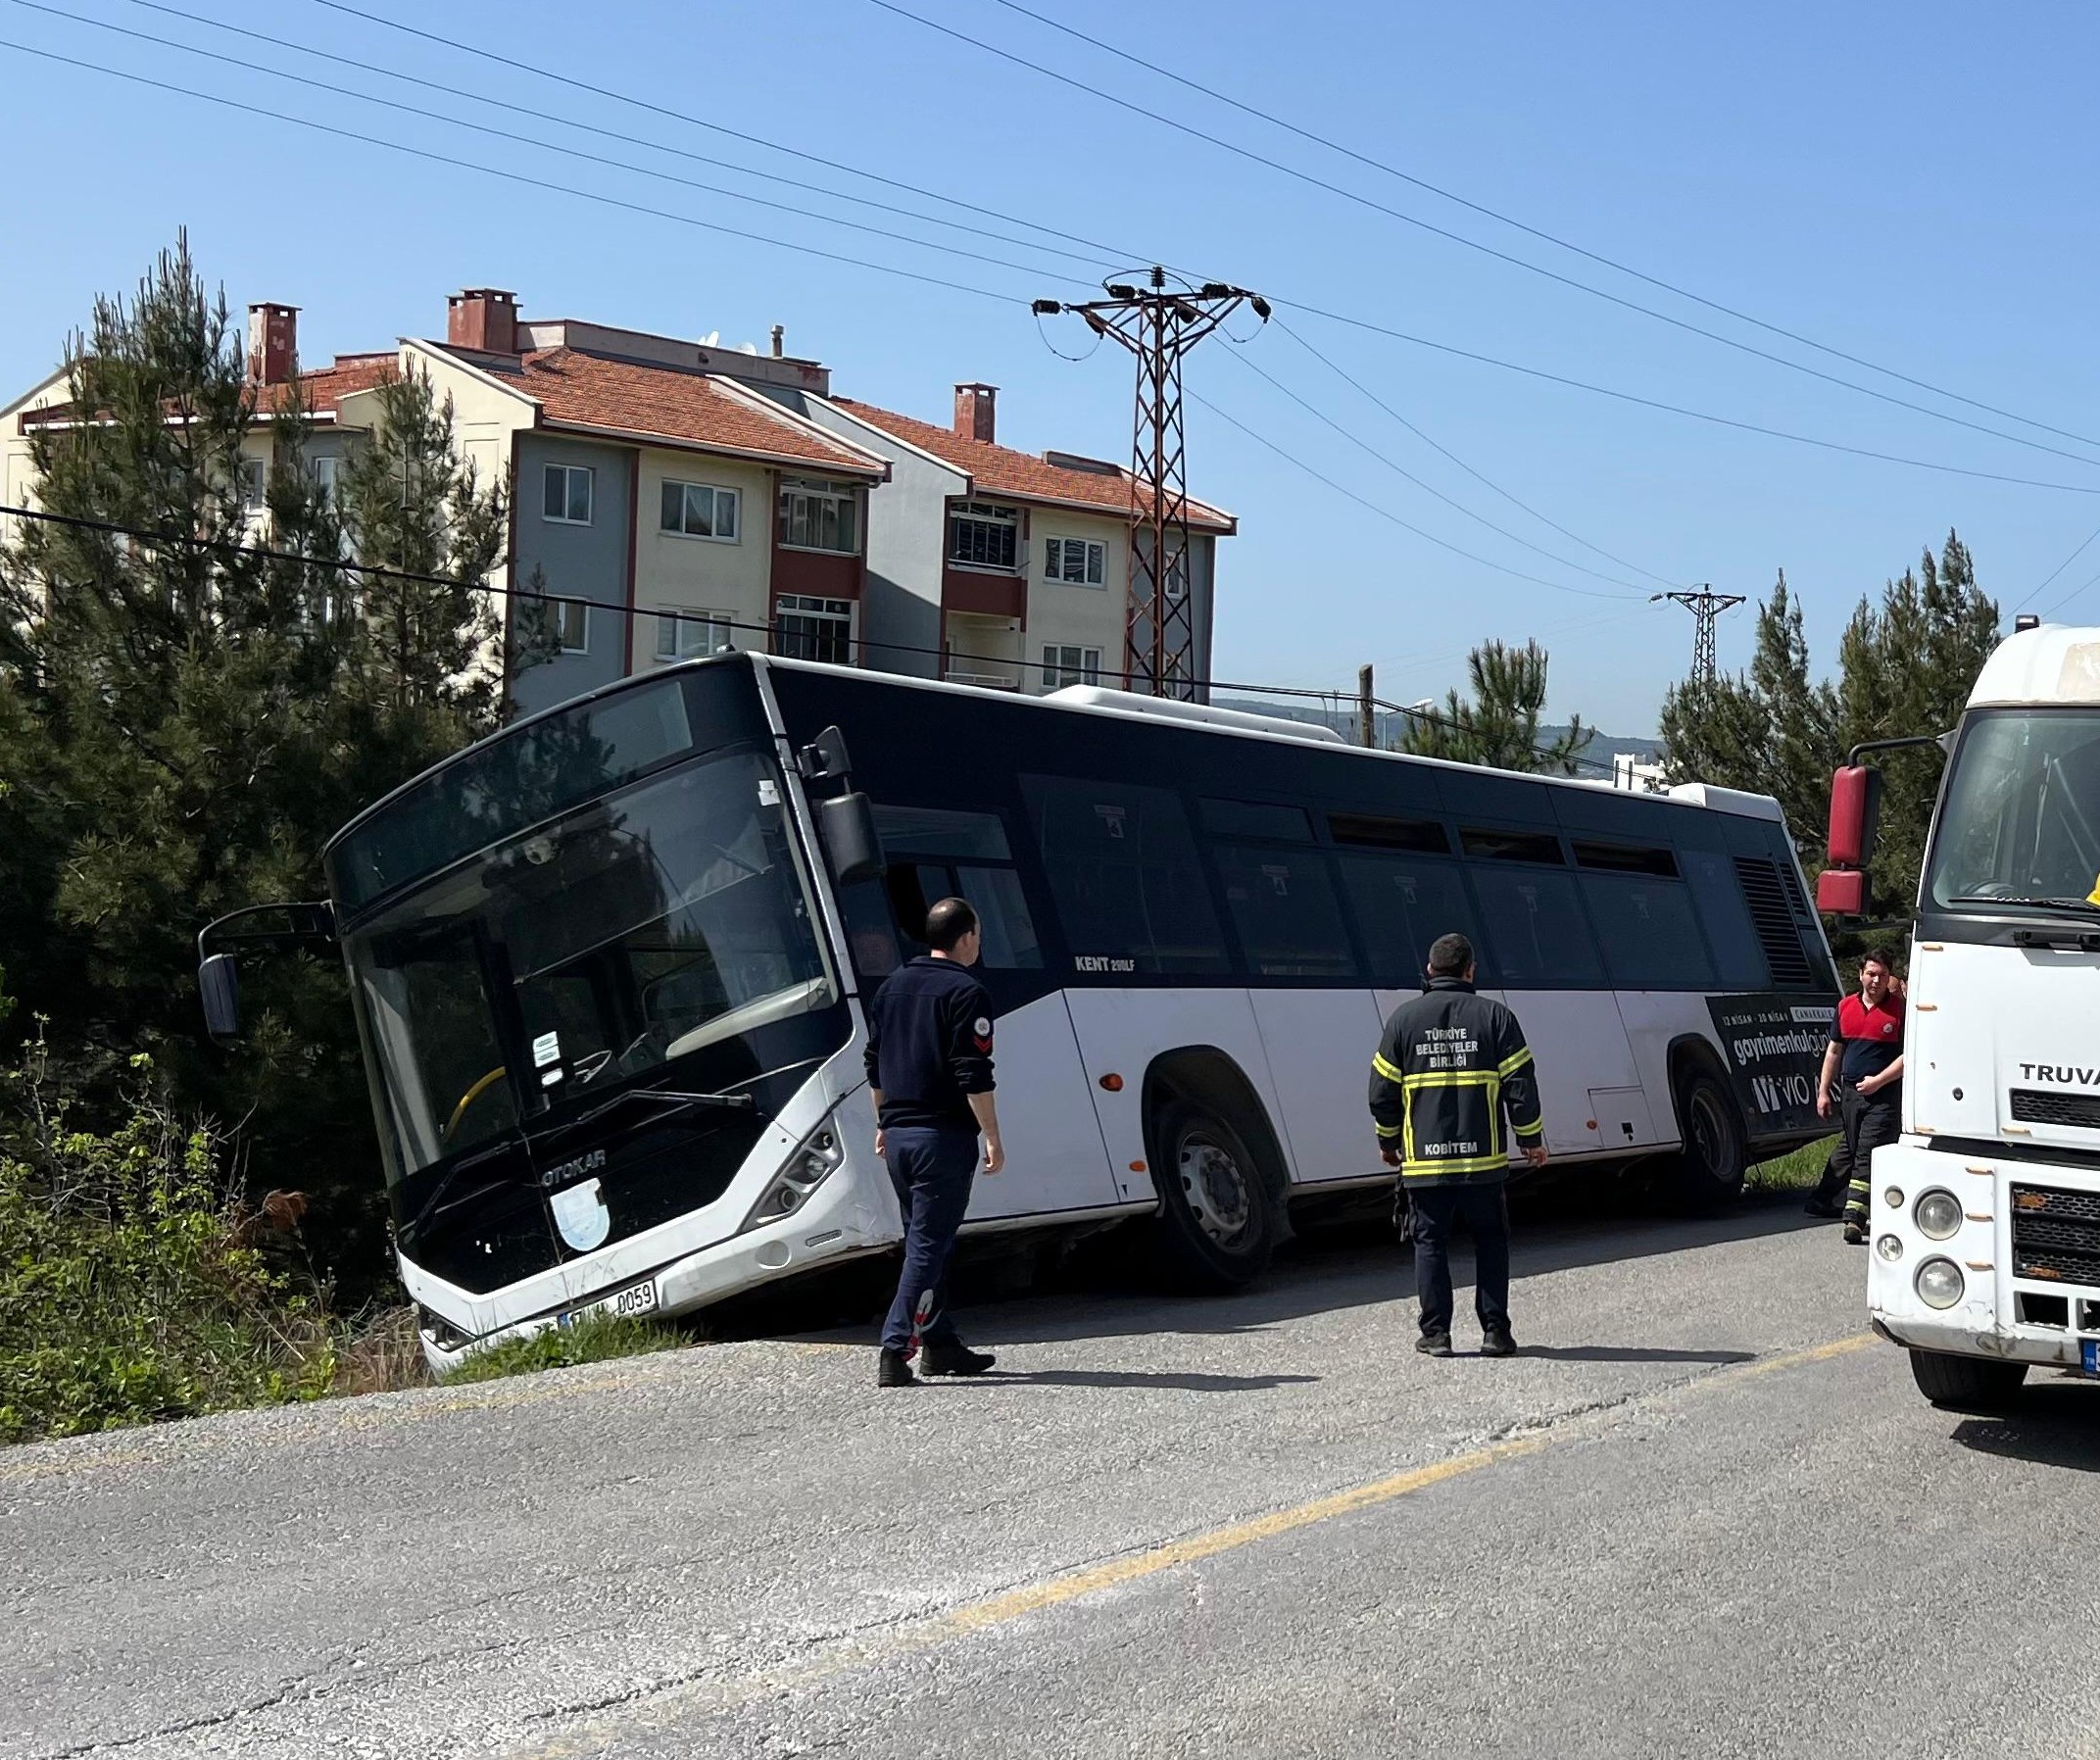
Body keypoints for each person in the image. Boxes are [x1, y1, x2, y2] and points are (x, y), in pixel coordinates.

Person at [1368, 932, 1548, 1358]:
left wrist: (1388, 1141)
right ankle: (1496, 1333)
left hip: (1425, 1163)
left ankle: (1436, 1335)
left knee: (1429, 1244)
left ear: (1430, 971)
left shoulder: (1402, 1021)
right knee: (1490, 1240)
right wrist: (1530, 1139)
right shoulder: (1496, 1017)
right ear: (1470, 971)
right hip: (1482, 1162)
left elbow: (1382, 1091)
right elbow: (1520, 1085)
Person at [864, 896, 1006, 1387]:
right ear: (966, 937)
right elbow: (973, 1071)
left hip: (899, 1139)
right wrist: (992, 1135)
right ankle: (895, 1347)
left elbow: (874, 1062)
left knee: (930, 1242)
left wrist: (883, 1123)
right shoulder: (965, 991)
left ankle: (941, 1345)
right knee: (928, 1246)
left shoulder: (892, 988)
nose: (978, 945)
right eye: (979, 936)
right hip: (941, 1139)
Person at [1817, 947, 1906, 1247]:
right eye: (1871, 974)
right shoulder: (1845, 1008)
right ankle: (1822, 1199)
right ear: (1860, 975)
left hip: (1883, 1095)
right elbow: (1834, 1051)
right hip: (1850, 1093)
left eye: (1882, 975)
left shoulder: (1901, 1010)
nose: (1876, 981)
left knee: (1866, 1152)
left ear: (1889, 977)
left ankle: (1854, 1217)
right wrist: (1823, 1091)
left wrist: (1879, 1081)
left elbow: (1910, 1055)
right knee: (1852, 1147)